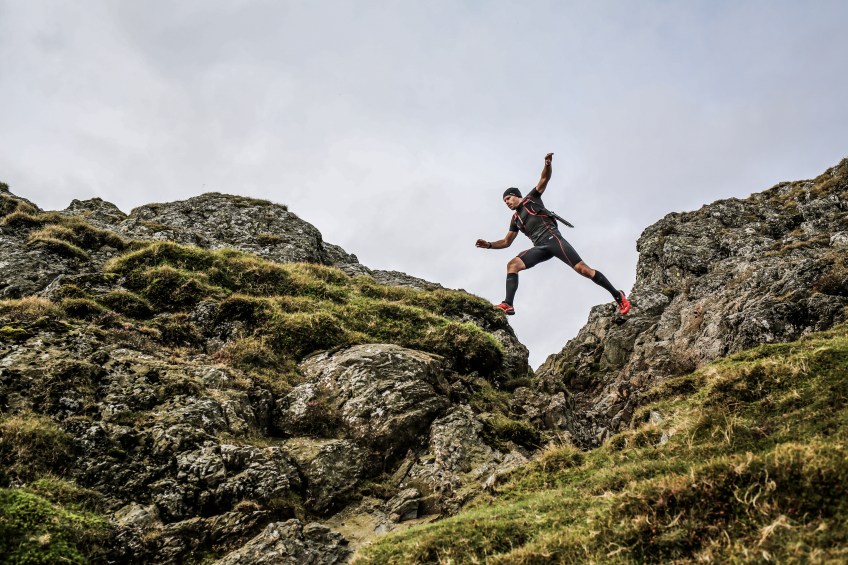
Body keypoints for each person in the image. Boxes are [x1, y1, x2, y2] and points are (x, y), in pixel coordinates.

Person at [475, 152, 631, 316]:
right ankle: (508, 304)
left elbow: (544, 179)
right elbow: (506, 241)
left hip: (553, 239)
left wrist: (547, 164)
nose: (506, 202)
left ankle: (617, 295)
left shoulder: (531, 199)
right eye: (504, 201)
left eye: (508, 198)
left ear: (516, 196)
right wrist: (489, 245)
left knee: (584, 270)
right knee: (512, 265)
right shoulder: (515, 219)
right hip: (540, 247)